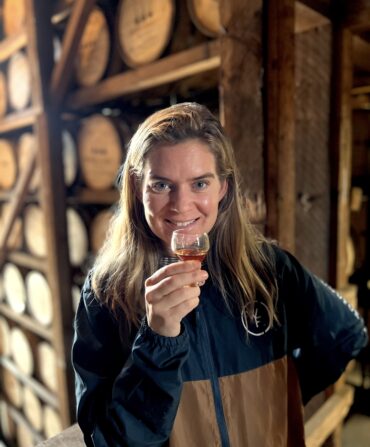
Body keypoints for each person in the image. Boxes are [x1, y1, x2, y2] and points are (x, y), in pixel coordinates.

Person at [72, 102, 368, 447]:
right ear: (139, 189)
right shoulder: (106, 293)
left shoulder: (269, 268)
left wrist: (281, 396)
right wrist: (158, 341)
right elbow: (104, 440)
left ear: (223, 188)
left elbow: (347, 333)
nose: (181, 206)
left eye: (199, 183)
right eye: (162, 185)